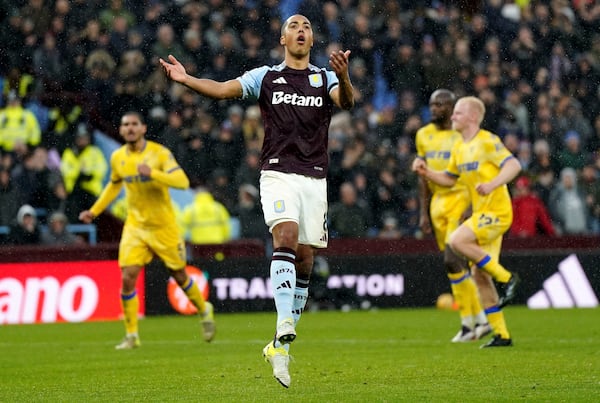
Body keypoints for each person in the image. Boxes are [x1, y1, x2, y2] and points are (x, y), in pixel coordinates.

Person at [160, 14, 354, 387]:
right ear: (283, 37)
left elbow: (345, 102)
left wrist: (344, 76)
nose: (301, 30)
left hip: (314, 177)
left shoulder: (324, 77)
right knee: (285, 236)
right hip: (278, 172)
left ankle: (279, 348)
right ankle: (284, 322)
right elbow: (222, 89)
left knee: (306, 258)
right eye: (294, 26)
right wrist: (186, 81)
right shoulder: (265, 76)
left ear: (311, 40)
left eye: (307, 27)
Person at [79, 111, 215, 349]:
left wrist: (152, 173)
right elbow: (114, 185)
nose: (129, 128)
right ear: (121, 131)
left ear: (143, 129)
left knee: (179, 275)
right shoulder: (118, 157)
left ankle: (204, 309)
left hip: (164, 226)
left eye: (134, 124)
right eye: (125, 125)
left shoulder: (159, 153)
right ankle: (132, 335)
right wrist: (94, 210)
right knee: (128, 277)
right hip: (136, 226)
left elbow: (182, 182)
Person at [412, 96, 521, 348]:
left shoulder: (487, 141)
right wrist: (426, 172)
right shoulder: (460, 148)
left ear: (473, 117)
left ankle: (507, 279)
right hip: (482, 215)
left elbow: (514, 165)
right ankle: (501, 335)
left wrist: (493, 183)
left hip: (497, 211)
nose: (452, 117)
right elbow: (449, 179)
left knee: (457, 240)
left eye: (458, 113)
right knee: (480, 275)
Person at [414, 89, 492, 343]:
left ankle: (480, 317)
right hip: (438, 204)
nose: (434, 108)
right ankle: (470, 323)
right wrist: (423, 212)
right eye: (432, 104)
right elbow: (423, 178)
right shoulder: (423, 135)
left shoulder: (463, 135)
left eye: (440, 104)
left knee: (452, 257)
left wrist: (471, 205)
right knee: (453, 265)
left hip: (460, 200)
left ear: (451, 108)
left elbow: (475, 170)